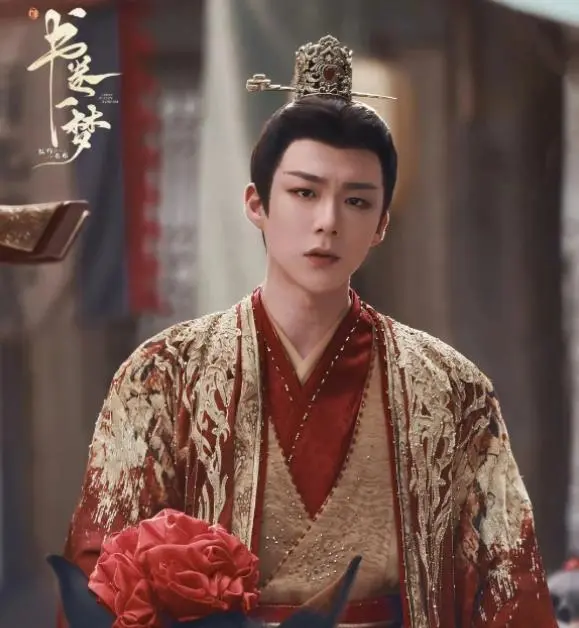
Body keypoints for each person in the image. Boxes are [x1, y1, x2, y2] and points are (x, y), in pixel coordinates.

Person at [60, 35, 557, 627]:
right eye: (304, 192)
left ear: (381, 223)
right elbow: (102, 577)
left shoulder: (451, 388)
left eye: (356, 201)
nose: (328, 222)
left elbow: (508, 586)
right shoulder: (164, 374)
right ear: (256, 204)